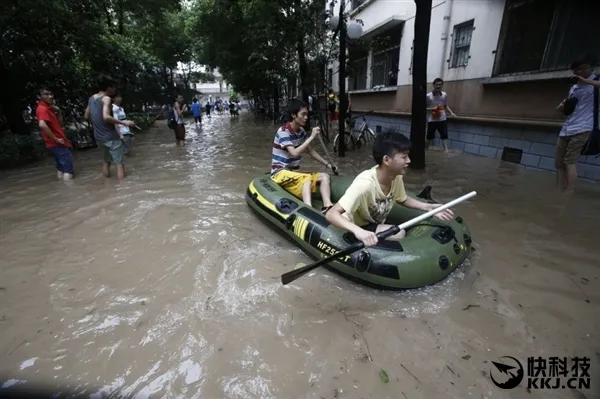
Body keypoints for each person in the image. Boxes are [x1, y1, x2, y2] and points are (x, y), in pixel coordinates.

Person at [325, 132, 454, 247]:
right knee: (399, 233)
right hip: (351, 226)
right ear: (386, 159)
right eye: (404, 157)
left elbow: (402, 199)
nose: (409, 161)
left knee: (399, 233)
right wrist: (358, 231)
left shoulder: (395, 177)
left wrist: (428, 207)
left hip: (370, 223)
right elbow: (331, 214)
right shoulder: (364, 184)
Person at [271, 99, 338, 214]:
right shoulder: (283, 131)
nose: (306, 117)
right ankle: (309, 210)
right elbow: (294, 153)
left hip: (294, 172)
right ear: (293, 115)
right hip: (280, 172)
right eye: (303, 114)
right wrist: (311, 137)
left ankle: (328, 206)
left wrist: (327, 164)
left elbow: (310, 151)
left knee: (325, 177)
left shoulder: (301, 131)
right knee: (306, 179)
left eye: (307, 114)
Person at [555, 54, 599, 194]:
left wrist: (585, 80)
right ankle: (559, 190)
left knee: (569, 161)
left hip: (584, 128)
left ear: (591, 68)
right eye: (576, 70)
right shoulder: (574, 87)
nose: (579, 72)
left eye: (583, 68)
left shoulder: (595, 83)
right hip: (567, 128)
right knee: (559, 162)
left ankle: (569, 192)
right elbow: (566, 107)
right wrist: (562, 106)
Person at [85, 74, 135, 180]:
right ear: (108, 87)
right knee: (119, 164)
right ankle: (122, 189)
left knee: (106, 161)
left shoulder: (91, 98)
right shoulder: (106, 98)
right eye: (113, 86)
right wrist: (124, 122)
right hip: (110, 136)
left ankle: (107, 186)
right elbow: (106, 117)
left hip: (99, 137)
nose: (114, 89)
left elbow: (86, 116)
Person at [36, 86, 74, 181]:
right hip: (57, 142)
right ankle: (71, 192)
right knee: (68, 170)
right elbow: (42, 124)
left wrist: (59, 112)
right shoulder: (42, 109)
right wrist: (56, 139)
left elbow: (60, 124)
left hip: (54, 143)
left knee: (61, 168)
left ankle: (63, 190)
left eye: (51, 94)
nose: (50, 96)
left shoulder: (49, 109)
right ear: (39, 97)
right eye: (46, 94)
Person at [426, 78, 456, 152]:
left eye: (440, 84)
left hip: (442, 118)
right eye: (437, 84)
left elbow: (445, 105)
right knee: (429, 136)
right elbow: (423, 108)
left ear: (442, 85)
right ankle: (426, 149)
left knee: (444, 135)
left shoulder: (444, 95)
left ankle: (446, 150)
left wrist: (451, 113)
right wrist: (432, 109)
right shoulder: (428, 96)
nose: (438, 86)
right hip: (432, 119)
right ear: (433, 85)